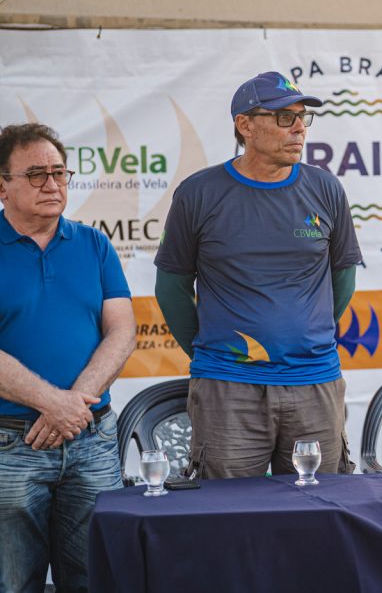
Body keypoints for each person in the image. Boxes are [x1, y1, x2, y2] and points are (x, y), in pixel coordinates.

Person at [155, 71, 362, 479]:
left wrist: (306, 336)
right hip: (227, 387)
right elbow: (171, 289)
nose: (299, 128)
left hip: (315, 382)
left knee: (320, 507)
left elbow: (343, 278)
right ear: (245, 125)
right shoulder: (198, 193)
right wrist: (213, 355)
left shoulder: (326, 189)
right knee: (228, 511)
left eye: (302, 117)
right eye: (285, 117)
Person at [0, 123, 136, 591]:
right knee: (13, 583)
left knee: (98, 579)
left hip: (91, 440)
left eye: (59, 172)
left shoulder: (95, 244)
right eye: (36, 174)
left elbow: (122, 330)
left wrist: (73, 405)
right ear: (2, 185)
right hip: (11, 446)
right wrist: (52, 404)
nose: (52, 184)